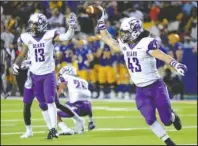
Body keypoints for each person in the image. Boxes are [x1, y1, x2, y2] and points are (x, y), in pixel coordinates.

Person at [95, 6, 187, 145]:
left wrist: (176, 64)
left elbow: (162, 56)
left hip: (156, 86)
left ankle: (173, 117)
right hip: (140, 89)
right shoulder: (125, 45)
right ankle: (168, 142)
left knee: (166, 120)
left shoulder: (146, 43)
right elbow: (107, 38)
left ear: (135, 32)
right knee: (149, 119)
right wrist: (101, 21)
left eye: (126, 32)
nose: (123, 35)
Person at [12, 12, 80, 139]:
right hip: (34, 75)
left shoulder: (50, 35)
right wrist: (16, 64)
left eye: (35, 25)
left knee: (51, 101)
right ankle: (50, 128)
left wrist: (71, 27)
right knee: (42, 104)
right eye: (31, 25)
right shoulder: (27, 38)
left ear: (42, 25)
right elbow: (22, 54)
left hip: (48, 74)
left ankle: (54, 128)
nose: (32, 28)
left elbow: (66, 37)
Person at [56, 65, 95, 135]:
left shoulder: (65, 77)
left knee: (53, 112)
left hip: (77, 107)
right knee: (67, 104)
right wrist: (91, 120)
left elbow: (61, 89)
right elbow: (87, 100)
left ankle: (66, 129)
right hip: (88, 108)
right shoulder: (83, 81)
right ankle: (79, 127)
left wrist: (54, 98)